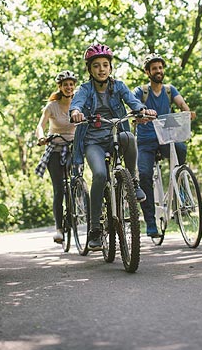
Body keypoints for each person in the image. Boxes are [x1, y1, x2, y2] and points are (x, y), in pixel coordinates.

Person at [69, 44, 157, 250]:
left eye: (105, 65)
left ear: (110, 68)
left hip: (115, 135)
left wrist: (142, 110)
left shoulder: (118, 86)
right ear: (90, 69)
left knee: (129, 137)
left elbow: (132, 101)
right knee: (99, 174)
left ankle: (133, 183)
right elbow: (77, 103)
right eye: (97, 66)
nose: (101, 69)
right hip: (93, 142)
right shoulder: (84, 89)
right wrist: (75, 112)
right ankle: (95, 230)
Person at [133, 53, 195, 238]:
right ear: (147, 72)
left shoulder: (169, 90)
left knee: (181, 148)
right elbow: (134, 106)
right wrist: (140, 114)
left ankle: (180, 190)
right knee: (144, 175)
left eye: (160, 68)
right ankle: (151, 223)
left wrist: (187, 112)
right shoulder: (141, 91)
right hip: (145, 142)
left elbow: (182, 103)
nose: (158, 71)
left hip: (166, 138)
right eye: (154, 68)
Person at [35, 70, 78, 244]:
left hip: (73, 147)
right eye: (65, 84)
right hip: (54, 148)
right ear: (59, 87)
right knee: (59, 188)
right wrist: (41, 137)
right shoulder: (52, 106)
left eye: (71, 84)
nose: (68, 87)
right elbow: (40, 125)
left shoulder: (78, 103)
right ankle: (59, 228)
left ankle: (79, 204)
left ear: (74, 86)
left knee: (76, 180)